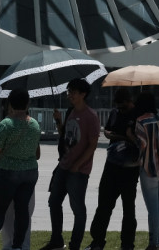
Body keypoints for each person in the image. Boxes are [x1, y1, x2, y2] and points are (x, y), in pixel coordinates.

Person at [0, 88, 42, 250]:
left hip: (9, 173)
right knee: (22, 210)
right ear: (27, 104)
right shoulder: (34, 124)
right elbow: (37, 153)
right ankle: (17, 245)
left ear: (10, 103)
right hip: (30, 172)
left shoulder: (6, 123)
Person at [40, 78, 100, 250]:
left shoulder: (91, 116)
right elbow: (65, 135)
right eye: (69, 92)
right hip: (64, 165)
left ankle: (75, 245)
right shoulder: (70, 112)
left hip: (79, 171)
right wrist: (59, 121)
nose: (70, 95)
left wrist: (78, 165)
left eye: (73, 92)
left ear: (83, 94)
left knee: (77, 207)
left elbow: (92, 145)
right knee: (54, 201)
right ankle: (56, 240)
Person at [88, 88, 140, 250]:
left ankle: (127, 244)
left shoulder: (138, 115)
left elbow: (139, 141)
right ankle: (97, 240)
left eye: (122, 105)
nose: (119, 108)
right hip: (112, 164)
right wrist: (113, 135)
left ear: (129, 101)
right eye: (117, 105)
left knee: (128, 208)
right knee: (104, 205)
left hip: (130, 166)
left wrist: (124, 137)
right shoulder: (115, 112)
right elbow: (108, 129)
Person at [135, 92, 159, 250]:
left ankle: (153, 242)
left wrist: (131, 136)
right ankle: (158, 240)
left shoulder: (140, 121)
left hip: (149, 169)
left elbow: (141, 145)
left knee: (152, 209)